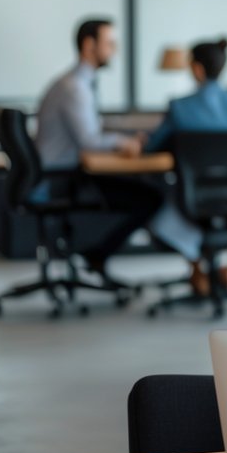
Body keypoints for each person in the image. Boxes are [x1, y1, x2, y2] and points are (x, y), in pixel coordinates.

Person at [142, 38, 227, 295]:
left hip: (188, 202)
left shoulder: (180, 107)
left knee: (156, 191)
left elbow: (151, 148)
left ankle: (198, 267)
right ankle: (217, 265)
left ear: (197, 69)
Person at [34, 17, 161, 277]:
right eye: (110, 43)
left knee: (142, 192)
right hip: (61, 178)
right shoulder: (74, 88)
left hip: (61, 172)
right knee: (150, 198)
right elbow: (89, 141)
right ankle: (97, 254)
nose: (114, 50)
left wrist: (121, 136)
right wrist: (124, 142)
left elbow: (93, 129)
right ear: (89, 44)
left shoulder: (78, 83)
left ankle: (98, 254)